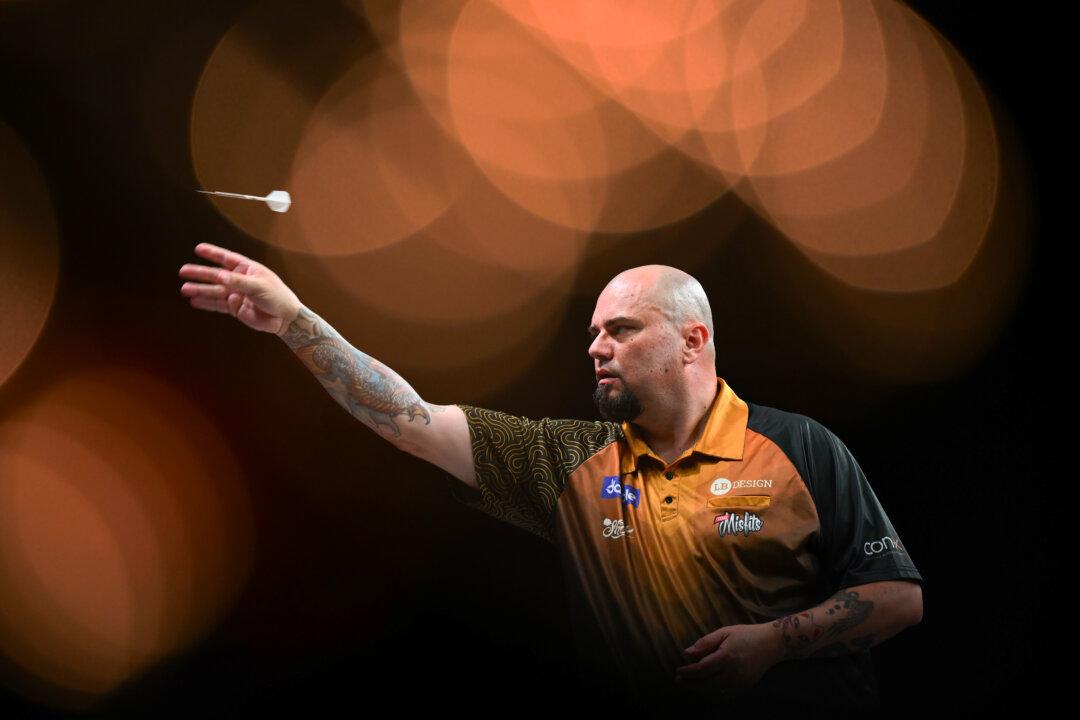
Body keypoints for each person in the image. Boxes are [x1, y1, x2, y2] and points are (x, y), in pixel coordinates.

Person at [179, 243, 924, 711]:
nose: (596, 347)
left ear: (693, 341)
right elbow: (407, 419)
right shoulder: (565, 460)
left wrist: (774, 643)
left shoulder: (801, 448)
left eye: (621, 330)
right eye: (593, 332)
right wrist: (296, 321)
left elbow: (897, 598)